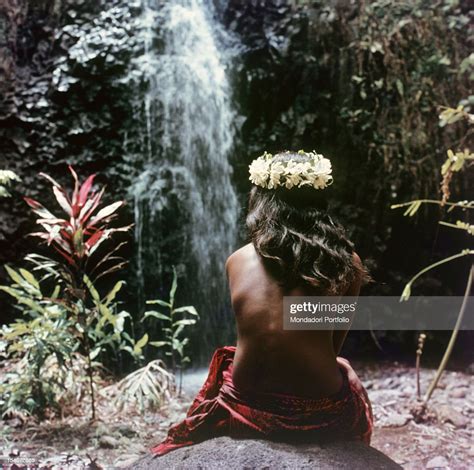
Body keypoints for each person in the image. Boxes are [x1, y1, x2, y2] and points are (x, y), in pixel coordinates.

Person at [152, 150, 373, 456]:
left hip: (246, 403)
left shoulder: (237, 261)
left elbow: (267, 333)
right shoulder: (345, 264)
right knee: (353, 394)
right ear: (318, 201)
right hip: (317, 409)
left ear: (261, 199)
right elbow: (330, 345)